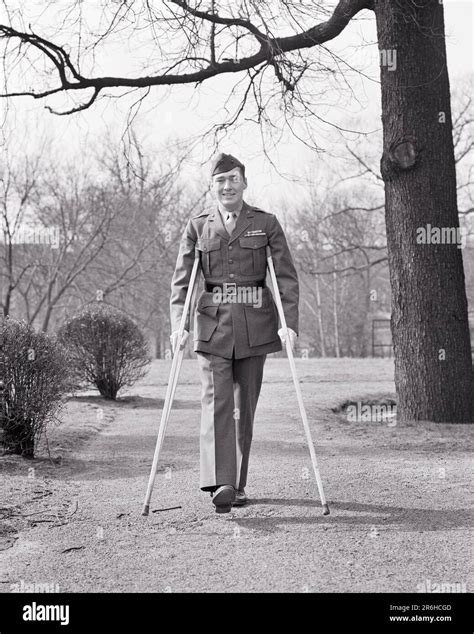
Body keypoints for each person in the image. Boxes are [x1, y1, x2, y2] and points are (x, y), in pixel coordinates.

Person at [170, 153, 299, 513]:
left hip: (255, 325)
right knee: (216, 403)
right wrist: (176, 325)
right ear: (212, 187)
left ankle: (237, 484)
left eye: (233, 179)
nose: (227, 186)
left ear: (244, 182)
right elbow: (182, 281)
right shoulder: (198, 227)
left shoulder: (266, 223)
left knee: (244, 408)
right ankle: (220, 482)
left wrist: (288, 322)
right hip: (212, 326)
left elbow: (285, 275)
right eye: (220, 181)